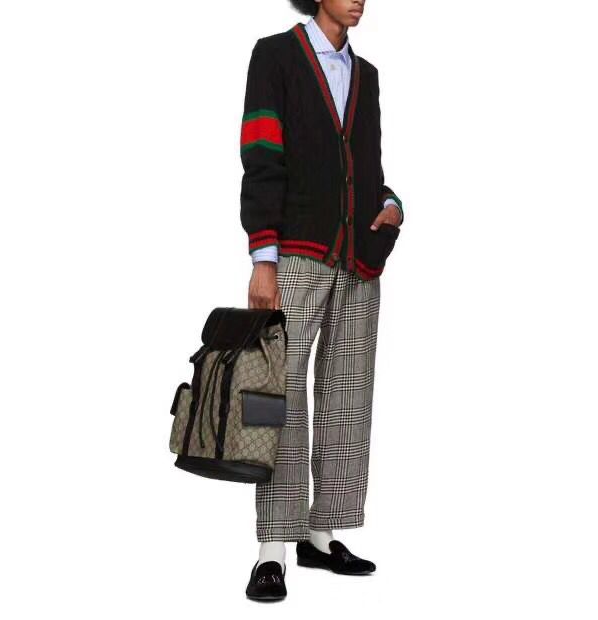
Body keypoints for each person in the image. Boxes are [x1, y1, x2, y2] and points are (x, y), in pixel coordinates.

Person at [240, 0, 403, 601]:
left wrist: (393, 205)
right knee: (278, 398)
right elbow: (261, 158)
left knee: (347, 398)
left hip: (359, 261)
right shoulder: (275, 56)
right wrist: (263, 257)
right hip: (295, 255)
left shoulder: (367, 75)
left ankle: (321, 533)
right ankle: (272, 548)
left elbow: (367, 168)